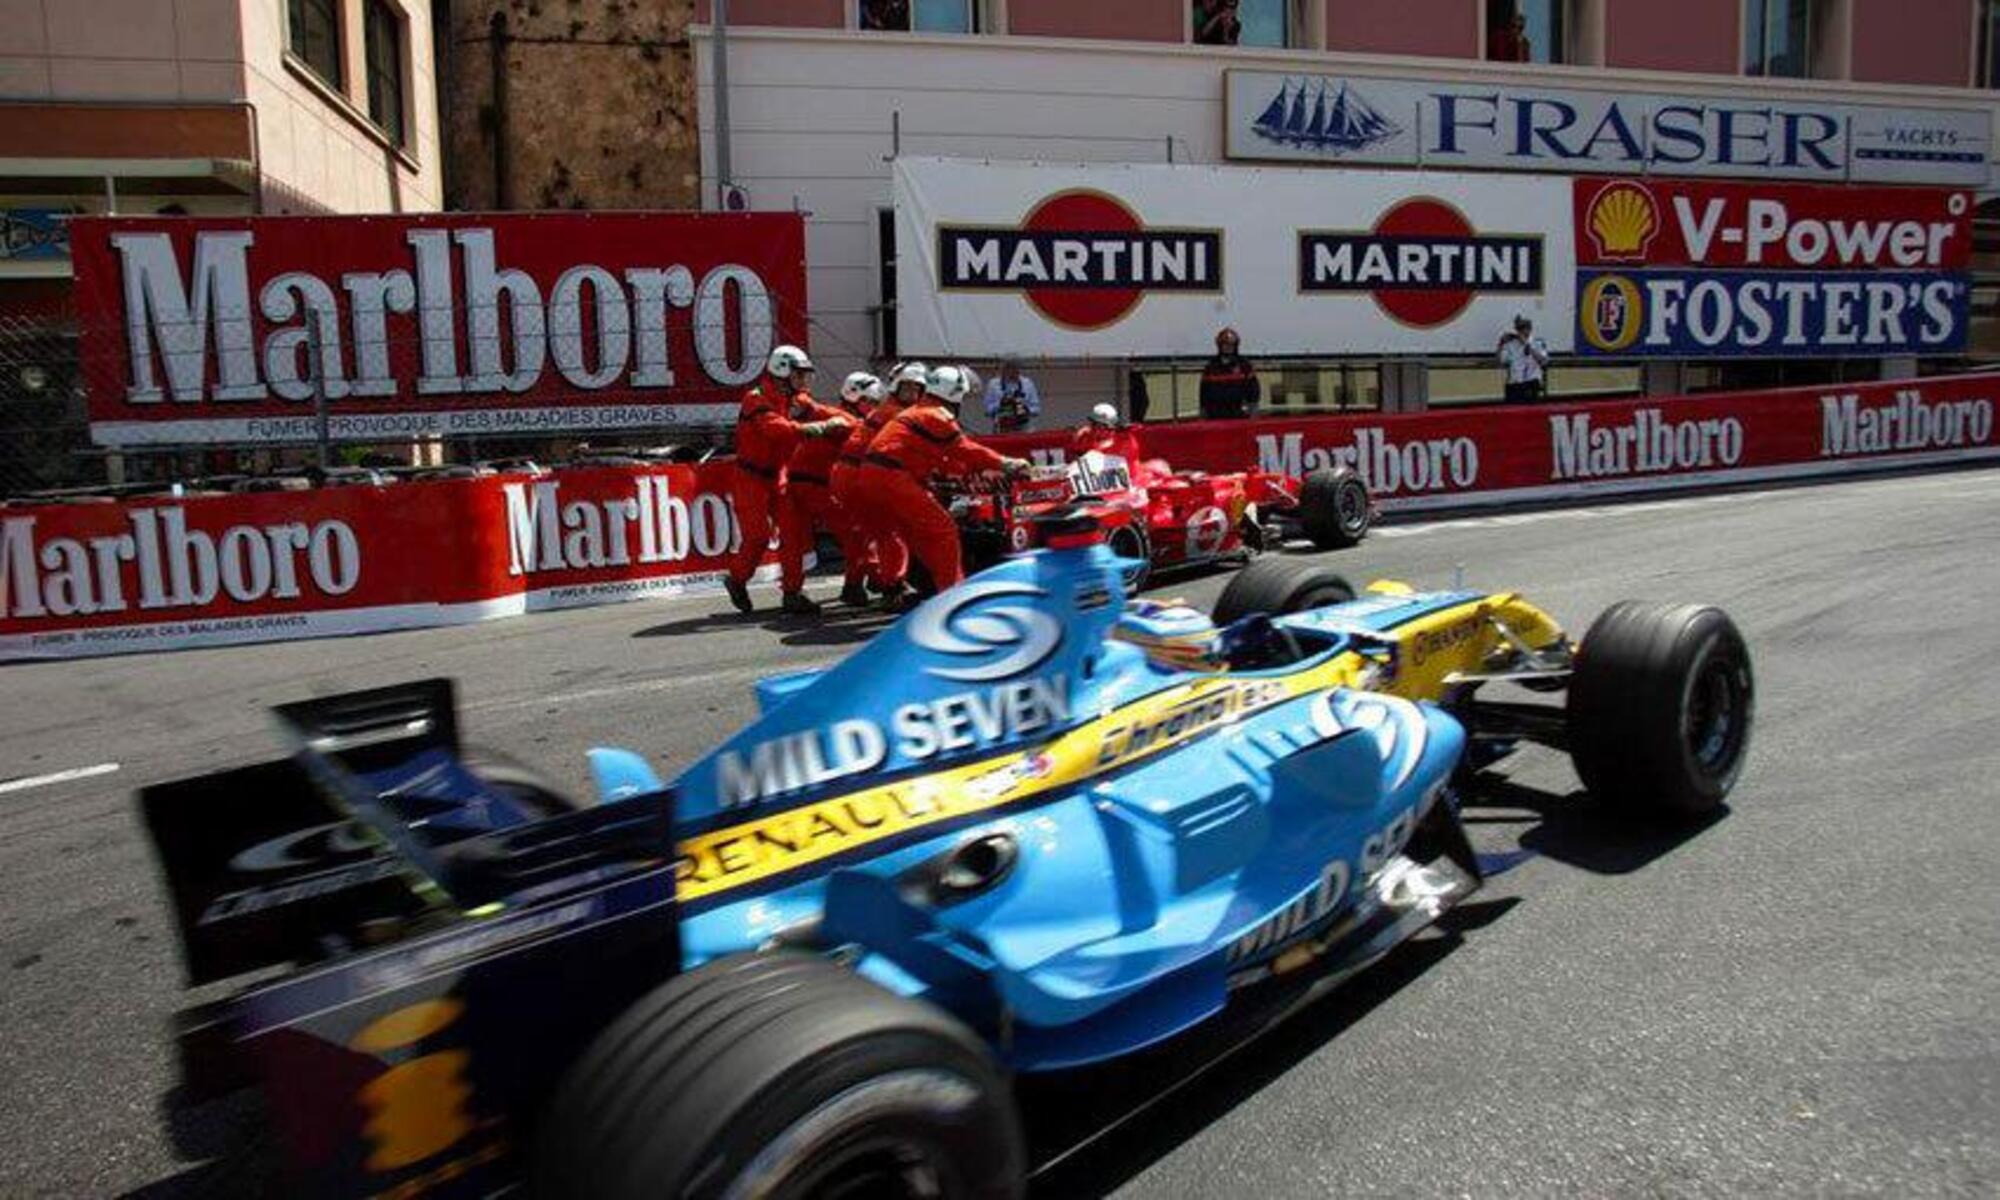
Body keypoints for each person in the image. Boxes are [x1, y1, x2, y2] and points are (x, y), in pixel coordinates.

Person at [855, 365, 1028, 606]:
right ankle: (953, 598)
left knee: (915, 536)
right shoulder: (936, 415)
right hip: (891, 476)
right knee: (944, 530)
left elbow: (943, 457)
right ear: (953, 394)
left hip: (872, 476)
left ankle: (912, 588)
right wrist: (1005, 463)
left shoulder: (919, 411)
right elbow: (964, 449)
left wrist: (973, 471)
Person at [723, 345, 841, 616]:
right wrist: (818, 428)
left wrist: (860, 427)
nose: (803, 381)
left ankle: (792, 592)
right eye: (799, 375)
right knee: (758, 537)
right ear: (782, 372)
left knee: (793, 534)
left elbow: (823, 412)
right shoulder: (755, 399)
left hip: (778, 475)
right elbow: (778, 431)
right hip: (750, 476)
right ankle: (737, 579)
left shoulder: (795, 399)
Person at [833, 361, 928, 606]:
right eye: (908, 388)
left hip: (849, 474)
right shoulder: (897, 414)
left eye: (917, 389)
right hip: (858, 476)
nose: (913, 394)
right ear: (896, 387)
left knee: (867, 534)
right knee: (891, 531)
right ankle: (893, 586)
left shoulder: (888, 410)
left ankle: (861, 584)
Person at [787, 372, 882, 608]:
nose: (873, 407)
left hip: (803, 482)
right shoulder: (845, 419)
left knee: (795, 542)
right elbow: (814, 409)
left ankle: (793, 593)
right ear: (854, 397)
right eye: (869, 402)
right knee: (855, 533)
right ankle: (876, 580)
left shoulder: (846, 418)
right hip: (813, 485)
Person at [1199, 327, 1259, 420]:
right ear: (1219, 345)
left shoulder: (1244, 365)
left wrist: (1253, 411)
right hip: (1215, 416)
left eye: (1231, 345)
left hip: (1239, 415)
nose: (1228, 347)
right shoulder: (1211, 367)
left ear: (1236, 346)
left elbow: (1254, 390)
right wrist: (1203, 413)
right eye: (1225, 344)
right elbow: (1204, 392)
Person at [1498, 314, 1551, 402]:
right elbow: (1500, 361)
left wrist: (1527, 345)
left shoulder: (1537, 343)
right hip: (1514, 383)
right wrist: (1500, 344)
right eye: (1519, 329)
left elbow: (1543, 361)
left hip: (1530, 382)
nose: (1521, 332)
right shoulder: (1511, 344)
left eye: (1524, 329)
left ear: (1530, 329)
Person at [982, 359, 1041, 433]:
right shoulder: (993, 384)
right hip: (1002, 428)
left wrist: (1026, 409)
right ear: (1003, 370)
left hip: (1024, 428)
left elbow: (1037, 408)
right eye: (1009, 368)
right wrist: (1001, 404)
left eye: (1015, 369)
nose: (1013, 372)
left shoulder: (1028, 383)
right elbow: (987, 410)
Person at [1071, 402, 1142, 463]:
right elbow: (1076, 455)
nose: (1097, 429)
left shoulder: (1125, 440)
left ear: (1112, 426)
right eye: (1094, 424)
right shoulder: (1087, 436)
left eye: (1103, 426)